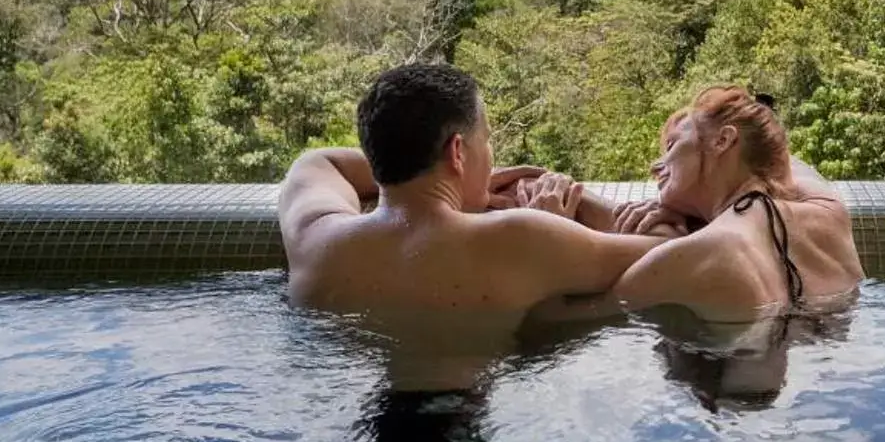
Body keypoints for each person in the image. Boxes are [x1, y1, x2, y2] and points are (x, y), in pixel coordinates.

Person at [278, 62, 666, 317]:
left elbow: (318, 162)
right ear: (458, 151)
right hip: (472, 435)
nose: (491, 154)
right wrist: (569, 224)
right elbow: (672, 252)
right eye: (487, 139)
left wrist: (446, 179)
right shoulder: (524, 240)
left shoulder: (317, 239)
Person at [605, 86, 863, 322]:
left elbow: (592, 312)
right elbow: (783, 158)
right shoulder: (828, 209)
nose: (655, 166)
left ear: (723, 141)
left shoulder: (709, 250)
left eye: (672, 144)